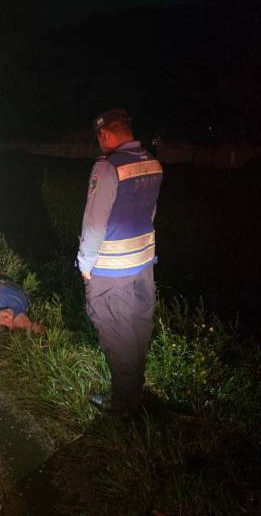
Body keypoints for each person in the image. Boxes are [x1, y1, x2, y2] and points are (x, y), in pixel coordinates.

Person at [77, 109, 163, 413]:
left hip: (111, 269)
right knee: (139, 327)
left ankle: (124, 405)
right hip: (143, 263)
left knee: (117, 334)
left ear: (105, 134)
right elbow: (149, 215)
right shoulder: (151, 162)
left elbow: (95, 223)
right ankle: (135, 388)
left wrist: (85, 265)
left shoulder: (107, 167)